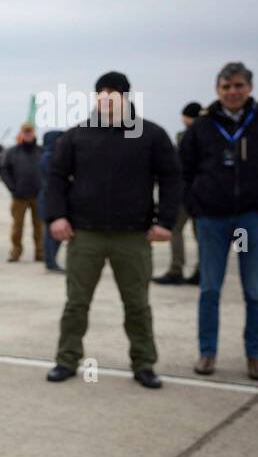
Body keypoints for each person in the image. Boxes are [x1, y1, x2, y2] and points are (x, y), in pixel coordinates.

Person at [44, 71, 180, 390]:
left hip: (133, 236)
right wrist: (56, 217)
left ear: (126, 97)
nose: (107, 97)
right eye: (101, 92)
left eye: (114, 92)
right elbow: (56, 178)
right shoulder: (77, 136)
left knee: (137, 304)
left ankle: (144, 363)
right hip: (85, 234)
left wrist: (166, 221)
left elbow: (172, 178)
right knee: (76, 303)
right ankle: (66, 359)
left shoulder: (150, 135)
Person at [180, 63, 258, 380]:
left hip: (249, 221)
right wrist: (195, 207)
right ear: (217, 90)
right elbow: (183, 171)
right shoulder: (201, 128)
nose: (232, 92)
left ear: (249, 88)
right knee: (210, 289)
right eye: (226, 87)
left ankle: (255, 354)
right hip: (212, 221)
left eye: (238, 86)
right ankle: (207, 352)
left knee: (254, 289)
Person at [155, 101, 204, 286]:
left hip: (186, 193)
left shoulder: (185, 136)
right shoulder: (212, 134)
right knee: (201, 234)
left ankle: (176, 269)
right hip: (204, 194)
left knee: (175, 229)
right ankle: (202, 270)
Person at [1, 122, 43, 262]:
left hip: (39, 196)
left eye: (30, 132)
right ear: (21, 133)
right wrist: (13, 188)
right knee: (17, 227)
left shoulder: (41, 151)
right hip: (19, 196)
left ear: (34, 133)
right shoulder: (12, 152)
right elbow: (4, 170)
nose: (28, 134)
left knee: (40, 227)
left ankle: (40, 253)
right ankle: (16, 252)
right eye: (25, 132)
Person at [38, 127, 65, 272]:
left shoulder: (50, 155)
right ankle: (50, 261)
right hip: (49, 200)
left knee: (52, 234)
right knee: (51, 234)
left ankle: (51, 260)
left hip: (49, 199)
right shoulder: (49, 157)